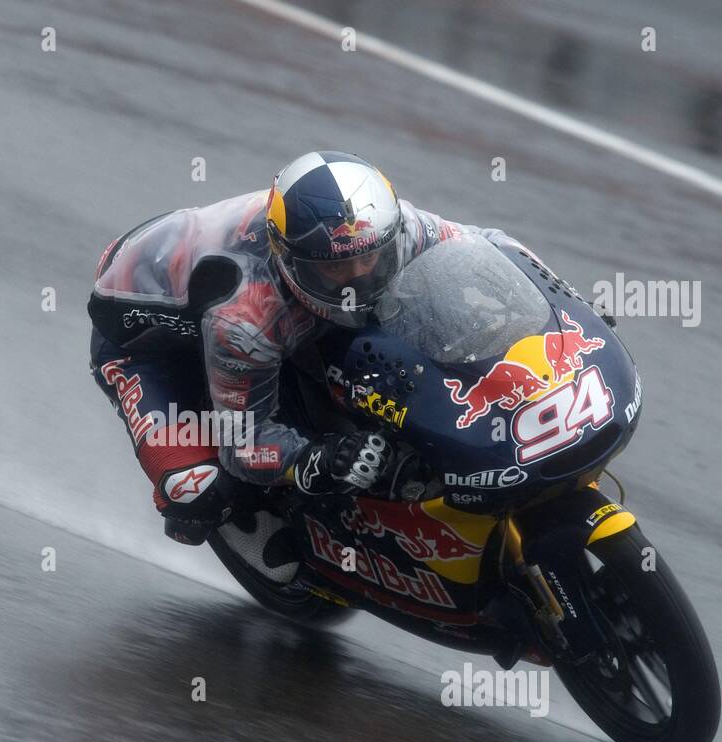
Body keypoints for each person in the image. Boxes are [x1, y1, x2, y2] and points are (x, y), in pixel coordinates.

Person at [88, 150, 514, 554]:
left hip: (247, 310)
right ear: (290, 261)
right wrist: (318, 460)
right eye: (334, 268)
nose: (357, 279)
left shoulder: (392, 225)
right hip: (146, 350)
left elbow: (491, 247)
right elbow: (244, 444)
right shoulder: (246, 314)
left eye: (371, 259)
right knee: (198, 489)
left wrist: (565, 306)